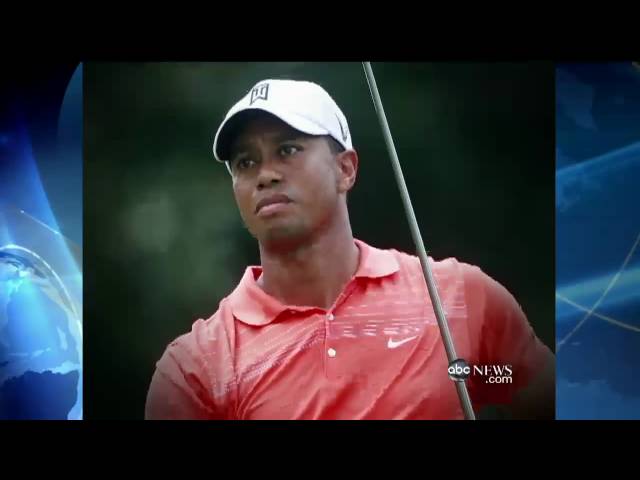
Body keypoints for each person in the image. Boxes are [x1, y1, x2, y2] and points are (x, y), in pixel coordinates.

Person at [145, 78, 555, 420]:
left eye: (287, 150)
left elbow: (527, 387)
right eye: (245, 162)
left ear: (345, 169)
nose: (265, 175)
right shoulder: (197, 368)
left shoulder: (457, 297)